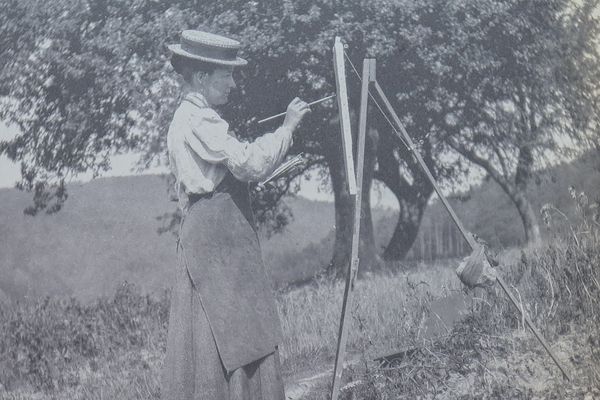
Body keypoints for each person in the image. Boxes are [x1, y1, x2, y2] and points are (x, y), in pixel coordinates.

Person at [161, 30, 310, 400]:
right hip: (215, 241)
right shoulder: (198, 119)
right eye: (225, 75)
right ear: (200, 78)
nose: (233, 83)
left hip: (217, 236)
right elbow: (248, 162)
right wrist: (288, 128)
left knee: (238, 330)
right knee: (225, 335)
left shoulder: (195, 116)